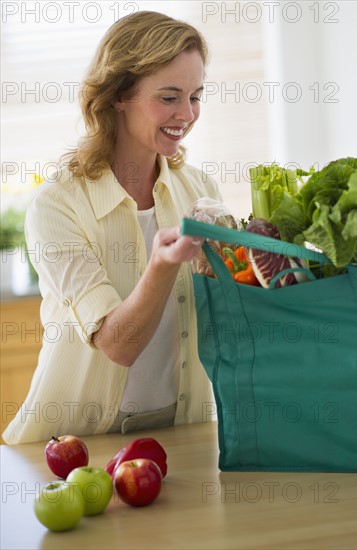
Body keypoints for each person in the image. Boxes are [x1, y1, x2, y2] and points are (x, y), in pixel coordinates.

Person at [3, 11, 222, 444]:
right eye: (169, 97)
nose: (187, 114)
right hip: (74, 447)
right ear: (120, 94)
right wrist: (162, 263)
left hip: (184, 433)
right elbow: (117, 345)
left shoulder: (200, 190)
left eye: (195, 96)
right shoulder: (59, 204)